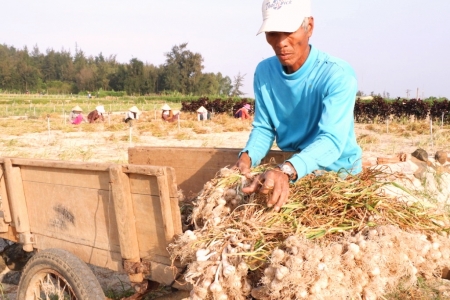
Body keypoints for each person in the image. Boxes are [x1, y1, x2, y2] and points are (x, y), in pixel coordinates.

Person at [234, 0, 362, 212]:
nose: (281, 42)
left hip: (336, 177)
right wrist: (246, 158)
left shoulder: (337, 75)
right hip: (292, 170)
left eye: (289, 31)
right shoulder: (265, 73)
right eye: (273, 32)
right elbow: (265, 128)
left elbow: (332, 140)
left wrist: (286, 170)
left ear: (309, 27)